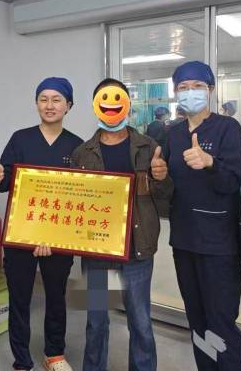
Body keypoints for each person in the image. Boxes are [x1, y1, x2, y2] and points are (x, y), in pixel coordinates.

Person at [71, 78, 173, 371]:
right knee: (96, 321)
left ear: (127, 105)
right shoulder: (82, 153)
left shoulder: (148, 147)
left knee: (140, 322)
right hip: (97, 252)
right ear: (95, 106)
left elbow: (166, 199)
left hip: (136, 250)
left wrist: (161, 177)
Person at [0, 77, 83, 371]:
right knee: (20, 299)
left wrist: (52, 236)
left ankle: (55, 354)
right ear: (36, 104)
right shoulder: (20, 139)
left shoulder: (77, 146)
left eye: (57, 100)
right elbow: (4, 183)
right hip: (21, 235)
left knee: (56, 297)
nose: (49, 105)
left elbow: (80, 196)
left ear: (68, 106)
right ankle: (21, 359)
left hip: (59, 237)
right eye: (43, 99)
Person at [164, 61, 241, 370]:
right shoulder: (173, 134)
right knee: (197, 321)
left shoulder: (227, 128)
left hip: (218, 243)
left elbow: (233, 182)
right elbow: (169, 185)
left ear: (210, 90)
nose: (190, 92)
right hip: (184, 240)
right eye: (183, 88)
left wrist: (211, 162)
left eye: (197, 86)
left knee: (221, 322)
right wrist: (158, 175)